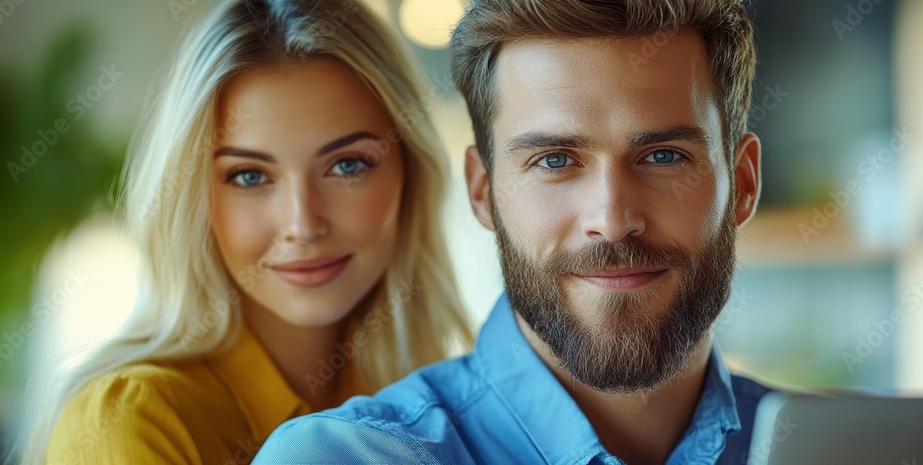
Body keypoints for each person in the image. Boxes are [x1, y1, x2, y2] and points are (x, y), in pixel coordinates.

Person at [254, 0, 771, 464]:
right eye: (554, 160)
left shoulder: (838, 448)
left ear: (743, 184)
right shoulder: (340, 458)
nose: (612, 220)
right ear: (482, 191)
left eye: (663, 157)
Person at [12, 0, 473, 463]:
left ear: (410, 173)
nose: (302, 224)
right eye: (249, 176)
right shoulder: (133, 419)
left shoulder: (431, 405)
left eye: (347, 165)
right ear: (191, 196)